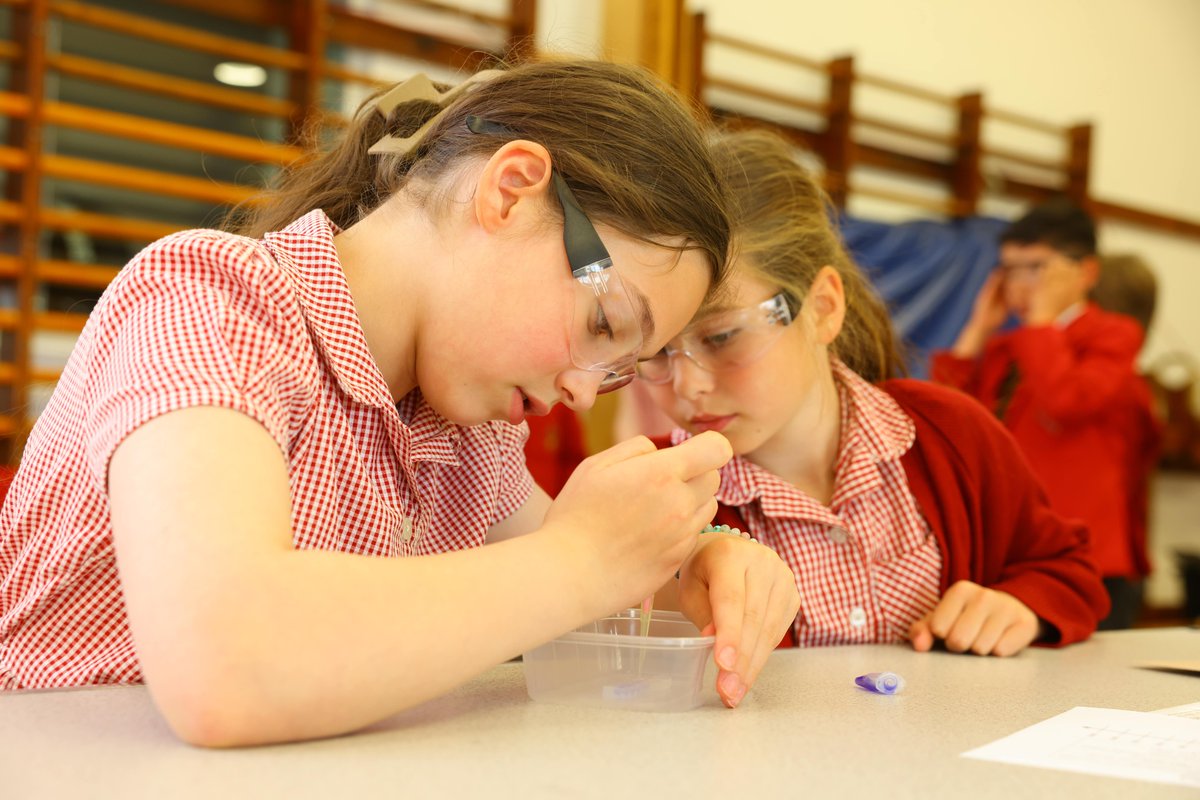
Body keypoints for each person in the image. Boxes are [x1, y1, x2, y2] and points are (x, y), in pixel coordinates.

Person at [0, 61, 799, 746]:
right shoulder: (215, 300)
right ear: (512, 192)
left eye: (622, 367)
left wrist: (690, 568)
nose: (583, 392)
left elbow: (571, 587)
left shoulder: (469, 433)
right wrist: (583, 561)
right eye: (603, 322)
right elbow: (224, 665)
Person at [641, 129, 1108, 655]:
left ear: (821, 308)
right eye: (655, 351)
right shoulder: (649, 495)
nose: (688, 383)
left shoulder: (950, 433)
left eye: (722, 336)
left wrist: (1022, 604)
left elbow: (1066, 569)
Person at [930, 200, 1145, 629]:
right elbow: (945, 427)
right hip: (1011, 553)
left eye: (1036, 268)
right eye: (1009, 269)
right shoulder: (1006, 347)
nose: (1021, 284)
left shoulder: (1113, 335)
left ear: (1086, 272)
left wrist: (1042, 321)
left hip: (1087, 558)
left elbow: (1067, 403)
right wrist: (976, 331)